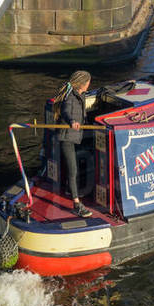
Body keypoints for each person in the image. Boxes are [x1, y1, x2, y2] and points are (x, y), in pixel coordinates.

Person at [54, 70, 93, 218]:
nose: (90, 84)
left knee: (75, 167)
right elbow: (65, 111)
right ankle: (76, 204)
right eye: (89, 82)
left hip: (76, 136)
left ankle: (70, 189)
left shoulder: (80, 94)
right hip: (67, 137)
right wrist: (72, 121)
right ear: (84, 83)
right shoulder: (70, 96)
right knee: (73, 170)